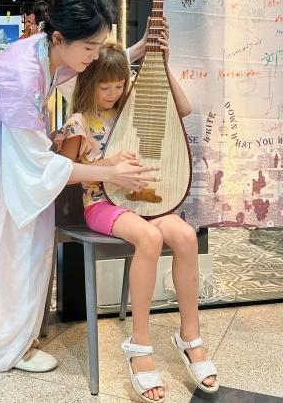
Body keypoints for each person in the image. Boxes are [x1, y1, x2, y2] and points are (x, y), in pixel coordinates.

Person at [0, 0, 159, 376]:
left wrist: (139, 49)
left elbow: (90, 70)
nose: (95, 56)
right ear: (60, 38)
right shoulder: (24, 74)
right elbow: (41, 167)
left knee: (11, 243)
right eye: (90, 48)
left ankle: (7, 340)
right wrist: (108, 171)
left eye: (99, 46)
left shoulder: (49, 50)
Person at [56, 41, 218, 401]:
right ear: (88, 83)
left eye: (119, 85)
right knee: (149, 238)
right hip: (101, 204)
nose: (113, 93)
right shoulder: (78, 122)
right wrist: (108, 167)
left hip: (142, 201)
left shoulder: (129, 107)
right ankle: (139, 344)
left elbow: (184, 108)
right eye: (105, 86)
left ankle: (190, 336)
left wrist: (164, 63)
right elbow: (63, 173)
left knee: (185, 236)